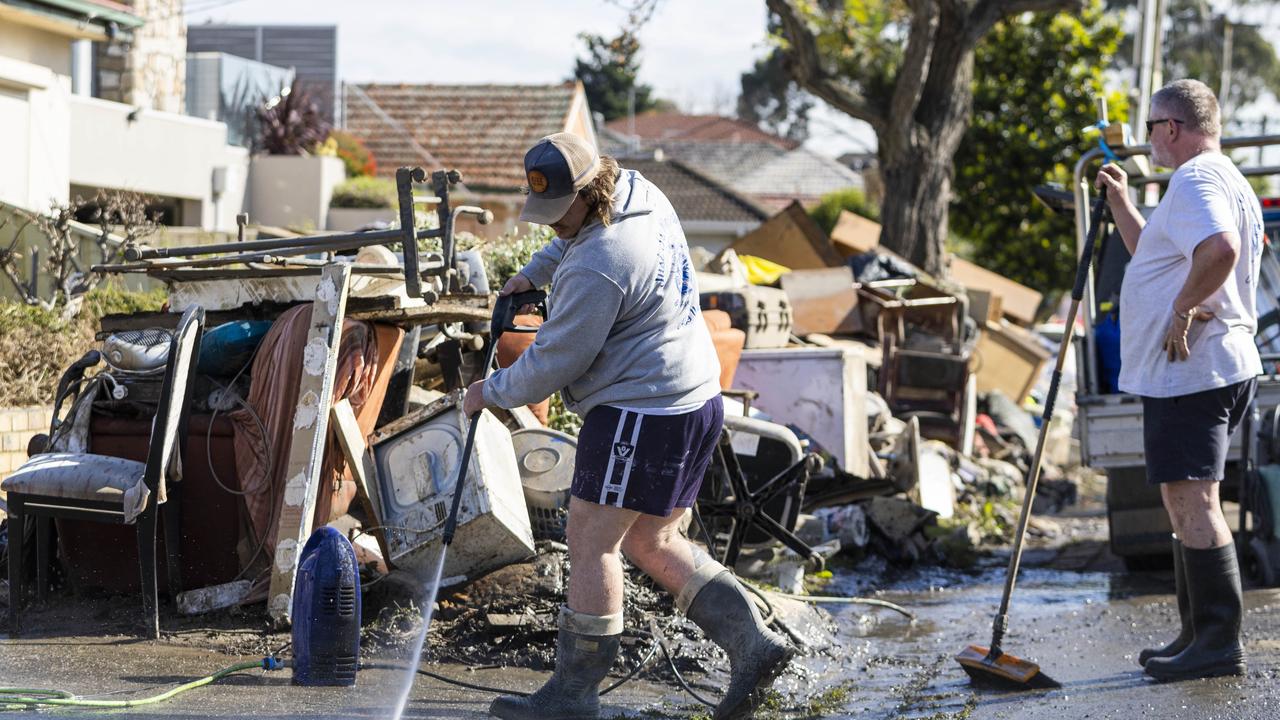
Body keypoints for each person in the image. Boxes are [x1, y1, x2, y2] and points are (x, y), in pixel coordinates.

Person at [463, 132, 794, 720]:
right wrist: (534, 273)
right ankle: (753, 645)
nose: (551, 227)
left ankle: (573, 696)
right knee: (652, 539)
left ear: (588, 193)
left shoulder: (602, 264)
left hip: (640, 413)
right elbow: (570, 244)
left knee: (591, 544)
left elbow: (552, 364)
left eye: (557, 215)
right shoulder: (639, 191)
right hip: (695, 397)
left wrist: (486, 393)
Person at [1095, 79, 1264, 681]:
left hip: (1193, 368)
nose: (1148, 142)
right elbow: (1161, 257)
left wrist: (1182, 308)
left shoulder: (1194, 180)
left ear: (1171, 127)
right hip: (1204, 368)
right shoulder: (1220, 178)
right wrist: (1121, 203)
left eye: (1149, 129)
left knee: (1193, 499)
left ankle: (1218, 643)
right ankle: (1197, 633)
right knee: (1186, 497)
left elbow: (1220, 250)